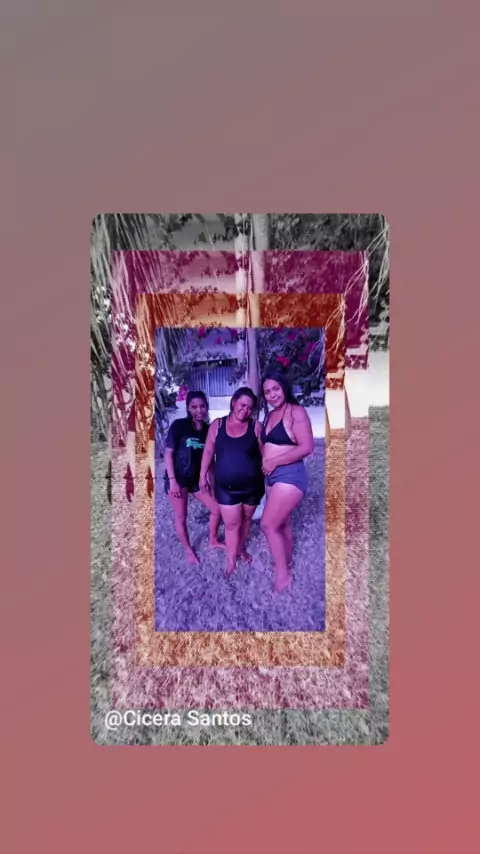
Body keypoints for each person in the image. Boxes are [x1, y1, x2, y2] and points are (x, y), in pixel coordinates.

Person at [259, 369, 314, 592]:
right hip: (271, 477)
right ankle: (286, 560)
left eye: (276, 389)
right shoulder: (270, 415)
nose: (272, 395)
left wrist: (274, 461)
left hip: (290, 475)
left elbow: (307, 446)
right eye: (267, 392)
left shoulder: (296, 411)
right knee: (283, 523)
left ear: (284, 387)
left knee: (267, 524)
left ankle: (283, 576)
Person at [199, 387, 264, 576]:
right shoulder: (217, 425)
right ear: (234, 403)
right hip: (226, 489)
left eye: (250, 408)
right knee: (231, 525)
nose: (245, 410)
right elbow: (208, 452)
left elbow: (265, 454)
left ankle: (240, 549)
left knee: (246, 521)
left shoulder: (256, 427)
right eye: (242, 405)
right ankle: (231, 561)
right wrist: (202, 476)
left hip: (252, 487)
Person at [164, 391, 224, 565]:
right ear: (188, 408)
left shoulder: (208, 430)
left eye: (202, 406)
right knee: (181, 516)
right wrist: (172, 481)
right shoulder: (179, 426)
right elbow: (168, 454)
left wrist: (213, 486)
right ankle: (189, 550)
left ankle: (213, 540)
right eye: (194, 407)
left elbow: (210, 462)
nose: (199, 410)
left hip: (196, 480)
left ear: (207, 406)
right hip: (178, 479)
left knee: (217, 508)